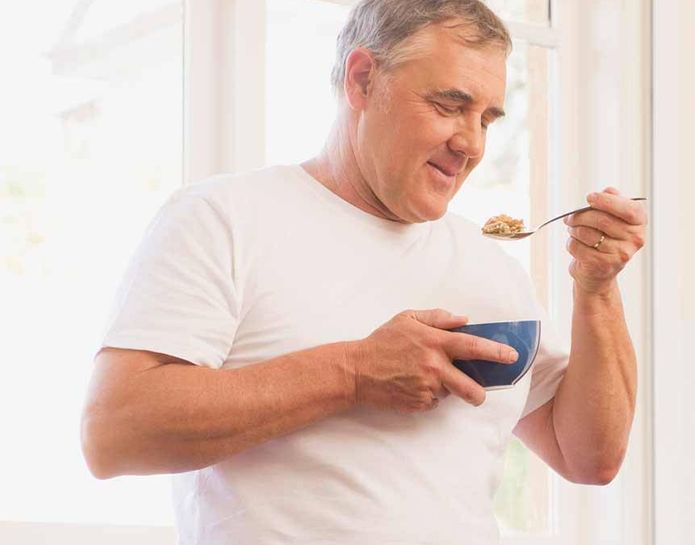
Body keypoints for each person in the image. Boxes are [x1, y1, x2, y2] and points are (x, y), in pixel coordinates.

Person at [81, 1, 647, 544]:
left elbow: (588, 456)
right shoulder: (223, 219)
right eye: (449, 105)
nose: (471, 143)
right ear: (362, 80)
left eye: (487, 118)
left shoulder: (491, 265)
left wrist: (596, 290)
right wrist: (351, 372)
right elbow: (115, 433)